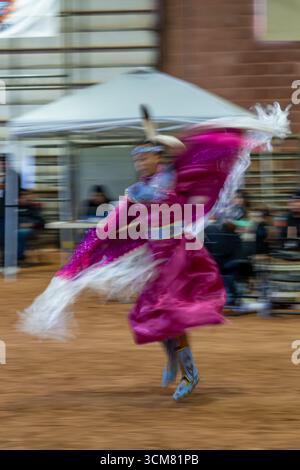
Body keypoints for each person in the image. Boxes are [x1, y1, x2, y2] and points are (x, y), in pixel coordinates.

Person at [18, 104, 290, 401]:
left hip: (180, 254)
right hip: (156, 257)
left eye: (145, 157)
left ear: (158, 158)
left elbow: (181, 153)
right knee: (151, 314)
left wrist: (163, 146)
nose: (140, 163)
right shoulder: (138, 190)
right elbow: (115, 224)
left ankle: (190, 372)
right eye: (137, 159)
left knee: (170, 313)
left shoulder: (174, 177)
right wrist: (87, 253)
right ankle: (174, 360)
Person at [18, 189, 45, 261]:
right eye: (21, 196)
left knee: (20, 233)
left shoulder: (33, 207)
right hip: (12, 228)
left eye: (25, 195)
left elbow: (41, 222)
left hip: (30, 229)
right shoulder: (12, 207)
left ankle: (19, 256)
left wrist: (30, 224)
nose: (23, 197)